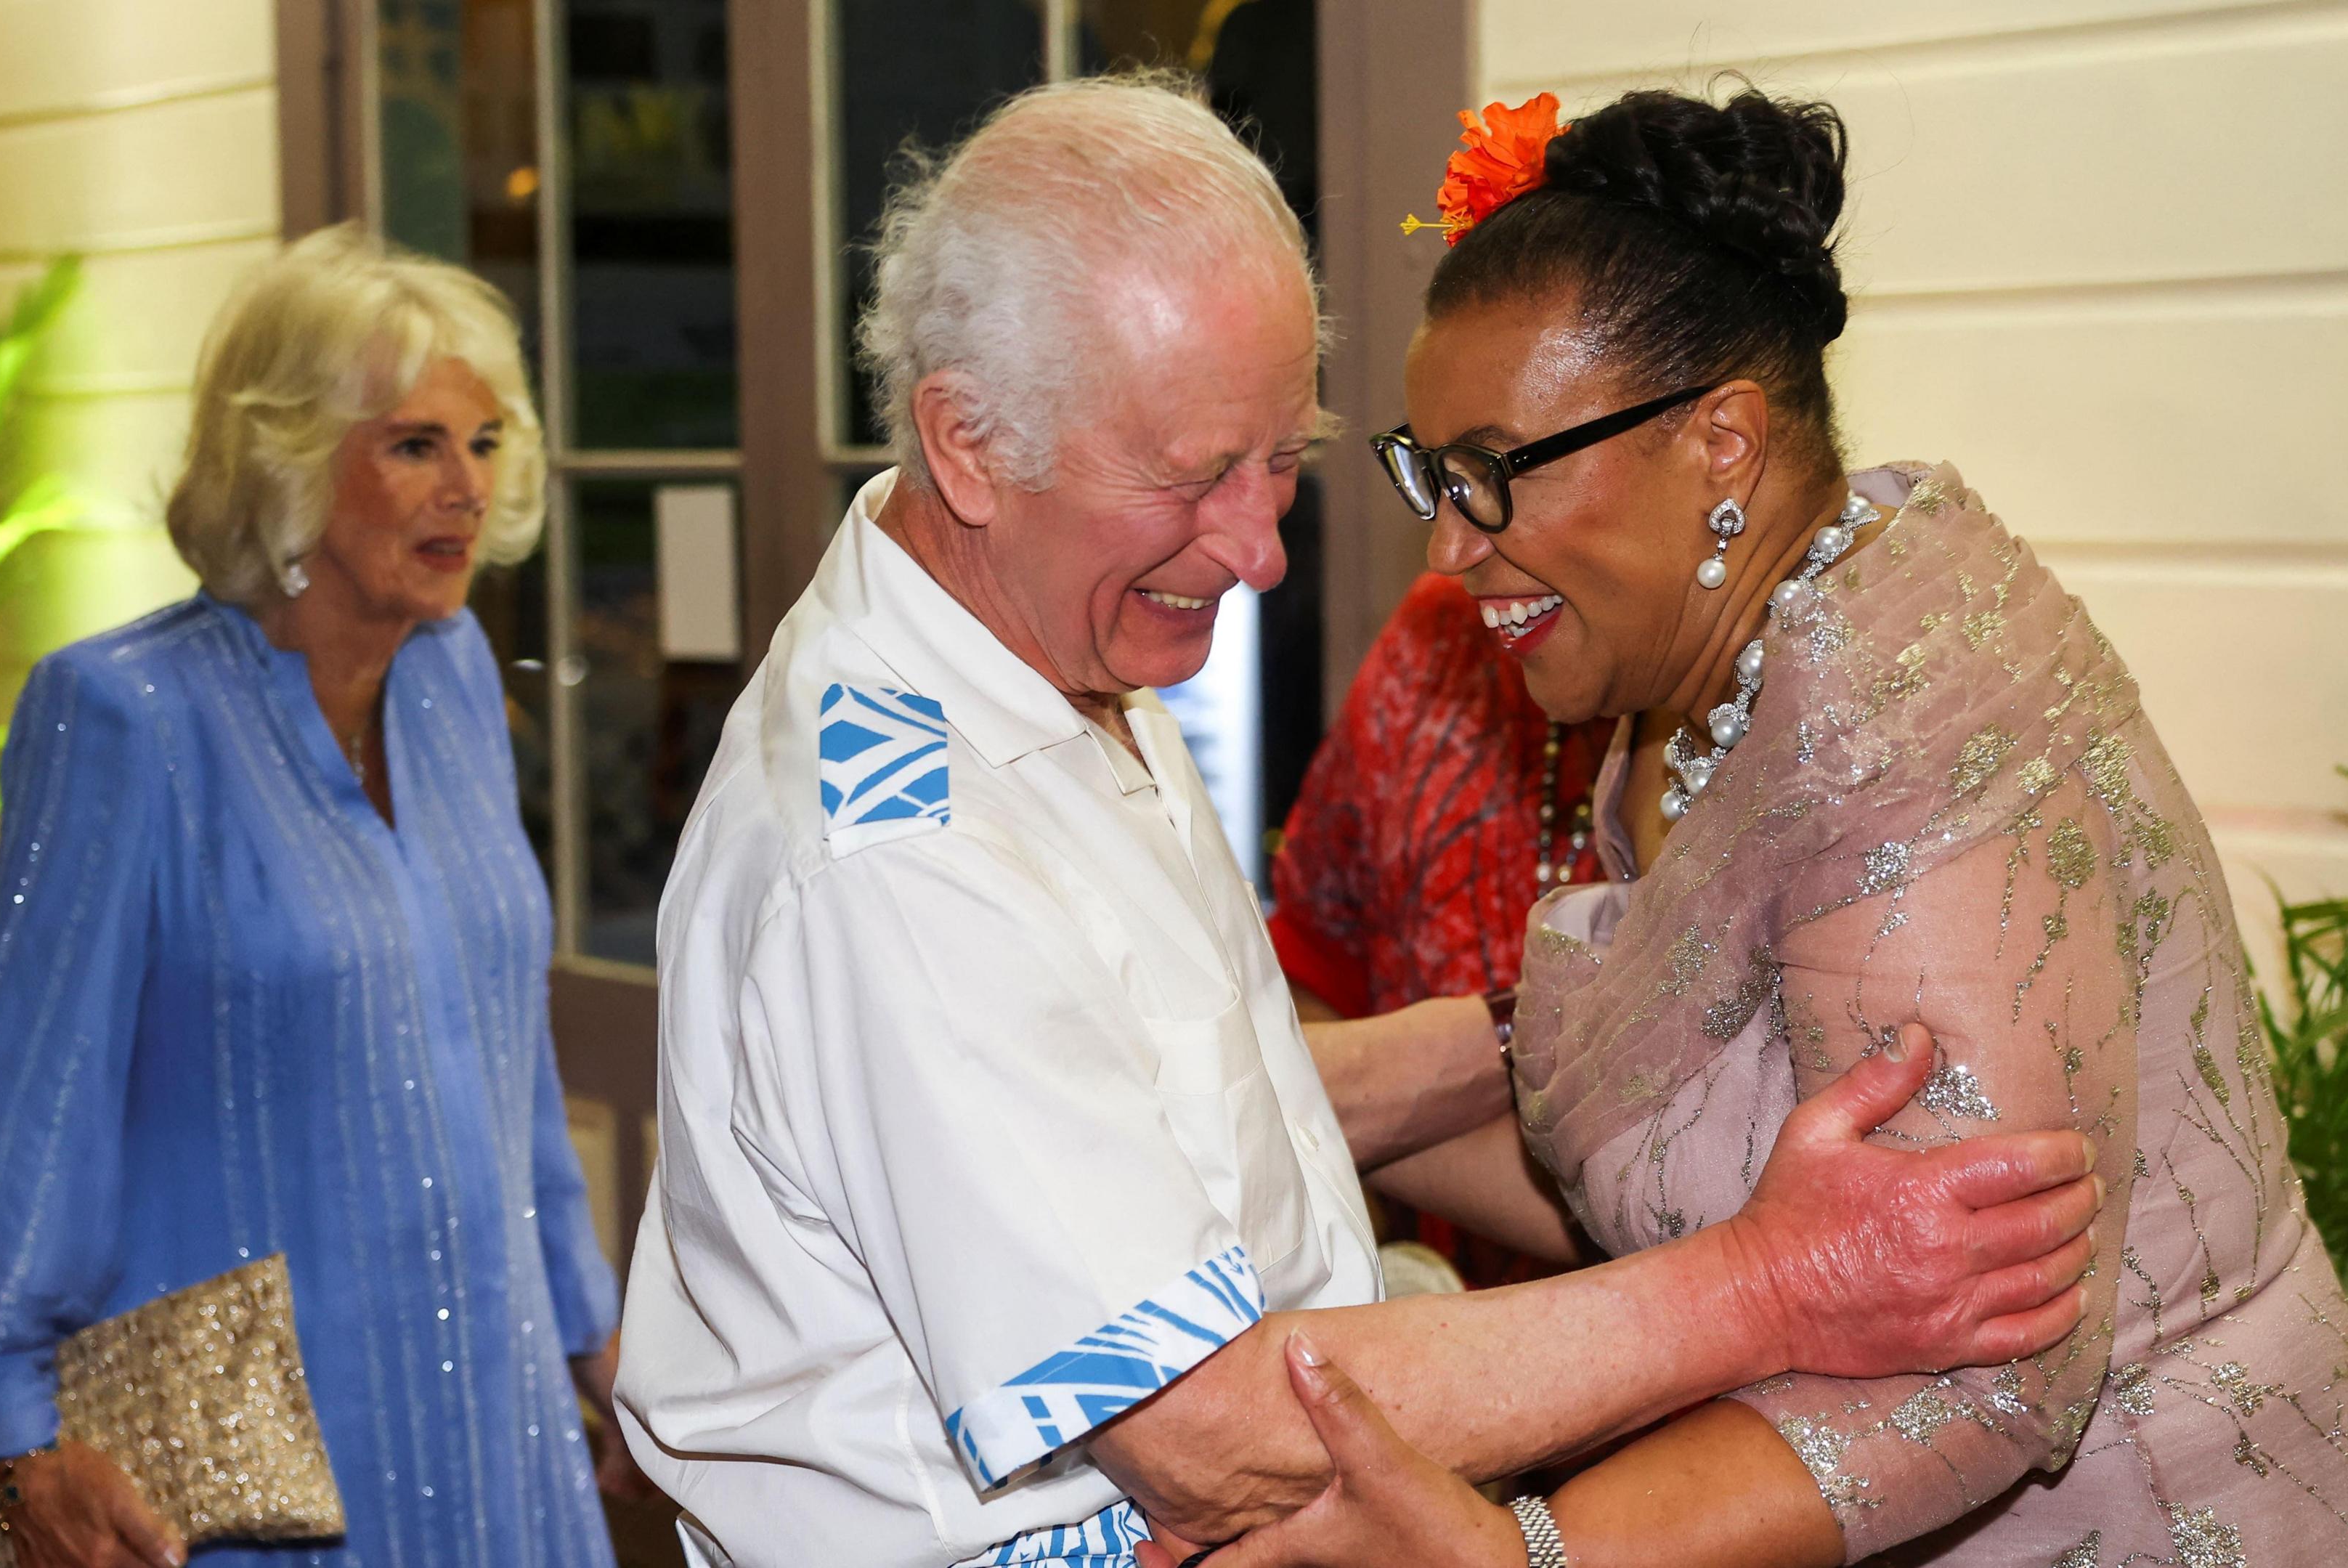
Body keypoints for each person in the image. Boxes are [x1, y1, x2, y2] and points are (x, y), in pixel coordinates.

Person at [620, 73, 2107, 1568]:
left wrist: (1590, 1030)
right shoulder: (901, 845)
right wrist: (1773, 1281)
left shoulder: (1048, 640)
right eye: (1197, 476)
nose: (1259, 552)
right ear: (968, 444)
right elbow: (1211, 1433)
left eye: (1284, 462)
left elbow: (1187, 1089)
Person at [1162, 89, 2348, 1567]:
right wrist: (1241, 1106)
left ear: (1722, 442)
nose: (1448, 543)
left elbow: (1983, 1368)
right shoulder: (1697, 689)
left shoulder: (1913, 744)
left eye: (1490, 471)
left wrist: (1523, 1551)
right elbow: (1713, 1189)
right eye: (1429, 472)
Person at [0, 225, 631, 1568]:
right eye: (413, 444)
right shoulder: (123, 718)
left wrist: (588, 1321)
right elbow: (22, 1102)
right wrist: (5, 1431)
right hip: (262, 1452)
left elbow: (500, 1050)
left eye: (484, 442)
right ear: (286, 457)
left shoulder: (452, 678)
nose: (464, 487)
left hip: (494, 1409)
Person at [1267, 571, 1615, 1284]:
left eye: (1502, 462)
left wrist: (1303, 1108)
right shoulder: (1443, 634)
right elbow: (1312, 961)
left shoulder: (1787, 717)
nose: (1449, 541)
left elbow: (1703, 1203)